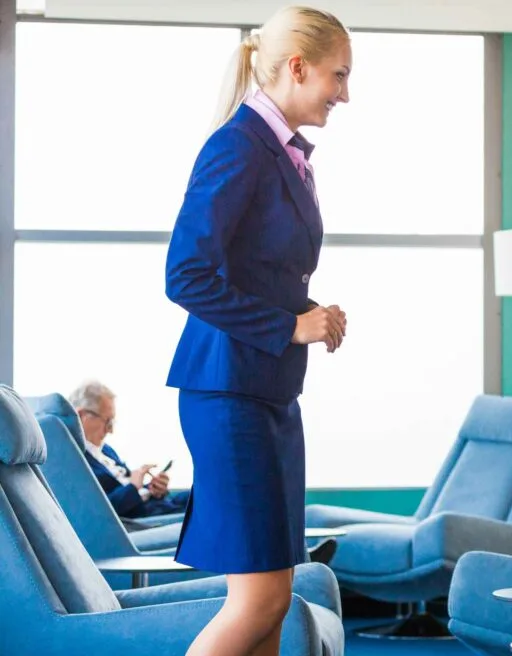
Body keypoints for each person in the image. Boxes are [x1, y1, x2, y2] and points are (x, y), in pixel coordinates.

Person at [164, 6, 351, 655]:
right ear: (297, 67)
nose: (345, 93)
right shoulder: (237, 144)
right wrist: (289, 325)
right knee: (261, 598)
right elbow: (185, 275)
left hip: (268, 394)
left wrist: (310, 314)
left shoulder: (282, 153)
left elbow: (258, 269)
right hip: (229, 394)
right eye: (338, 75)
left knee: (273, 603)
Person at [69, 380, 189, 518]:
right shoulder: (76, 462)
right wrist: (133, 486)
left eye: (112, 422)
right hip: (145, 518)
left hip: (156, 504)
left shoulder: (106, 450)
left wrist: (153, 489)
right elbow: (98, 513)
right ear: (81, 415)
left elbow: (125, 485)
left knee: (205, 493)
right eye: (107, 421)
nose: (111, 430)